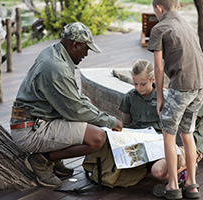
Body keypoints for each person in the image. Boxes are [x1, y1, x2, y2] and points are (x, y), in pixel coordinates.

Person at [10, 22, 123, 188]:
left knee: (91, 121)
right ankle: (42, 160)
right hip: (29, 131)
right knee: (97, 138)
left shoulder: (54, 51)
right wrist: (112, 122)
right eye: (86, 48)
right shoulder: (57, 68)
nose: (86, 54)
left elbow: (75, 99)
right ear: (75, 44)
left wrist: (99, 115)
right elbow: (76, 111)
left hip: (35, 121)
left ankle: (54, 158)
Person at [147, 0, 203, 199]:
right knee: (187, 133)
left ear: (159, 9)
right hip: (201, 87)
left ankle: (173, 185)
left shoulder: (160, 28)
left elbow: (158, 68)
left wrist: (159, 97)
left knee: (169, 134)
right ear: (179, 7)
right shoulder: (187, 25)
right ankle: (191, 184)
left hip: (181, 87)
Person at [119, 59, 203, 183]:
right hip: (163, 143)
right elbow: (126, 122)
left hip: (185, 147)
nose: (139, 88)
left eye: (143, 84)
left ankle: (187, 169)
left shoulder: (200, 97)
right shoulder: (130, 97)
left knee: (158, 171)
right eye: (136, 84)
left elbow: (184, 129)